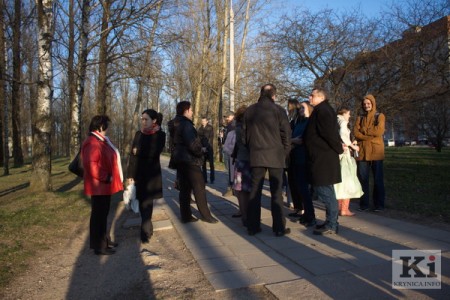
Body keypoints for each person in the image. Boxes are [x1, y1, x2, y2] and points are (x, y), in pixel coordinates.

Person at [243, 84, 291, 237]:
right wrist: (284, 152)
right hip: (275, 155)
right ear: (274, 96)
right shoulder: (279, 111)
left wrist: (252, 148)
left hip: (256, 155)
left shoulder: (250, 111)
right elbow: (287, 135)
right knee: (276, 193)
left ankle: (253, 226)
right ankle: (278, 228)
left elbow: (244, 137)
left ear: (261, 93)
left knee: (255, 191)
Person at [304, 88, 343, 235]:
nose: (309, 97)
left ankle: (332, 224)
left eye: (312, 95)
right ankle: (330, 222)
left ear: (320, 97)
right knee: (327, 191)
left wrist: (339, 148)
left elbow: (329, 133)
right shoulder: (321, 110)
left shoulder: (323, 111)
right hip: (320, 157)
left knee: (325, 191)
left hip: (323, 159)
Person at [81, 115, 123, 255]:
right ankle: (99, 246)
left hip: (103, 186)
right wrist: (107, 176)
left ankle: (104, 240)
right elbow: (91, 165)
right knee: (98, 216)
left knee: (103, 215)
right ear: (100, 126)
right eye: (106, 126)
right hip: (99, 186)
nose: (108, 129)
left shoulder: (99, 141)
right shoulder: (92, 142)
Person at [172, 101, 218, 224]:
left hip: (180, 159)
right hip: (190, 160)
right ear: (186, 110)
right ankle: (206, 215)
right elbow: (192, 144)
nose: (192, 112)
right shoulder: (186, 125)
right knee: (199, 187)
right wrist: (201, 150)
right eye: (191, 110)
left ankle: (186, 216)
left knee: (185, 188)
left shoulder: (175, 123)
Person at [126, 109, 166, 244]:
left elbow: (154, 152)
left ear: (153, 121)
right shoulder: (138, 134)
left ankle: (144, 231)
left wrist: (139, 151)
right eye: (142, 119)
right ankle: (147, 227)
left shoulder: (160, 134)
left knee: (148, 202)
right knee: (142, 202)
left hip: (152, 175)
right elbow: (132, 155)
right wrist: (130, 175)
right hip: (138, 173)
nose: (143, 121)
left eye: (146, 119)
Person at [353, 94, 386, 212]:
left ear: (373, 104)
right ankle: (364, 204)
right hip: (362, 152)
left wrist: (364, 131)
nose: (366, 105)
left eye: (368, 103)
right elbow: (356, 133)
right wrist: (368, 134)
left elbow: (379, 131)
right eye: (364, 104)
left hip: (376, 152)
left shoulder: (380, 116)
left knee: (378, 179)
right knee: (363, 179)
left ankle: (379, 205)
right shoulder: (359, 118)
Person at [289, 101, 317, 227]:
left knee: (305, 188)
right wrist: (292, 140)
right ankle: (305, 212)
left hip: (304, 158)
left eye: (303, 108)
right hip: (295, 157)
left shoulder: (309, 122)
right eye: (299, 108)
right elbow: (294, 138)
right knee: (299, 187)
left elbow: (302, 140)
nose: (300, 110)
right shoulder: (298, 123)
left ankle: (310, 215)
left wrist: (292, 141)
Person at [334, 107, 364, 216]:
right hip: (344, 156)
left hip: (338, 155)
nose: (349, 116)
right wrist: (352, 145)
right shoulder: (342, 123)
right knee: (348, 182)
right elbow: (342, 135)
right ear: (344, 113)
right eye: (348, 114)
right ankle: (344, 209)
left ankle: (340, 208)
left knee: (339, 183)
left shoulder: (335, 122)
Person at [231, 105, 251, 226]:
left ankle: (244, 214)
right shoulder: (244, 128)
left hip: (240, 161)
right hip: (247, 161)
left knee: (240, 188)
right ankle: (246, 215)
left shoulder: (237, 127)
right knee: (245, 189)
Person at [197, 116, 215, 184]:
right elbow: (198, 139)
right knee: (203, 164)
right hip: (202, 148)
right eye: (202, 121)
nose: (203, 122)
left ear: (207, 121)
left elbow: (211, 139)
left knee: (211, 164)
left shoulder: (210, 127)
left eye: (204, 121)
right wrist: (201, 147)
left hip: (209, 148)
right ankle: (204, 179)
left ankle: (212, 178)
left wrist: (206, 147)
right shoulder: (200, 129)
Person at [222, 111, 235, 197]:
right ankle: (231, 187)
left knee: (231, 170)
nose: (226, 118)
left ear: (232, 116)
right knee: (228, 170)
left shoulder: (233, 125)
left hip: (231, 151)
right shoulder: (227, 126)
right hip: (227, 150)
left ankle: (231, 188)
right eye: (226, 117)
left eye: (228, 117)